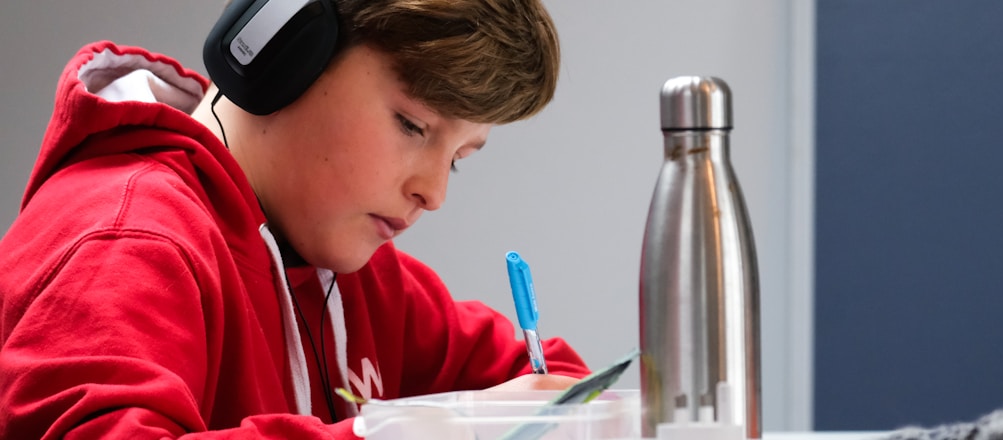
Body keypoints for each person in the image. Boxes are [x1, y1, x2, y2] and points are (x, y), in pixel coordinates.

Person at [0, 0, 590, 437]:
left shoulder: (355, 277)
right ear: (282, 55)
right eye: (413, 126)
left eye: (458, 161)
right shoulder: (125, 242)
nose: (433, 192)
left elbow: (549, 384)